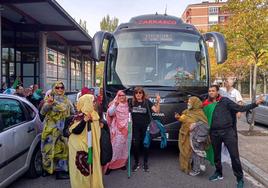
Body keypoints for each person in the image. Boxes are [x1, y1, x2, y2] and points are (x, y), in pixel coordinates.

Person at [203, 85, 264, 188]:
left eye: (213, 91)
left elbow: (241, 108)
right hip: (214, 133)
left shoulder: (225, 101)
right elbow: (200, 115)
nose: (211, 93)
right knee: (216, 155)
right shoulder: (206, 103)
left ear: (218, 92)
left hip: (228, 133)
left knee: (234, 156)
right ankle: (218, 173)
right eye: (209, 91)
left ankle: (240, 179)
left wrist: (255, 104)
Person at [64, 94, 104, 188]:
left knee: (91, 169)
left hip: (91, 145)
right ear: (86, 103)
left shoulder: (94, 114)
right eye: (92, 102)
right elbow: (75, 131)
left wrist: (102, 124)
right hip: (79, 147)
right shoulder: (78, 117)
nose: (94, 104)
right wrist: (84, 121)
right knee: (82, 171)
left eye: (94, 102)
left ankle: (92, 184)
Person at [40, 81, 75, 179]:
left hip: (62, 130)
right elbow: (42, 112)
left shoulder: (67, 101)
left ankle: (60, 172)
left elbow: (72, 112)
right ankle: (46, 169)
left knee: (62, 151)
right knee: (48, 150)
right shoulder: (49, 99)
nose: (60, 89)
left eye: (62, 88)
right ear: (53, 89)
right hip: (50, 130)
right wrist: (49, 104)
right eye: (57, 87)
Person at [175, 96, 209, 176]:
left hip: (195, 137)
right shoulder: (187, 111)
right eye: (188, 102)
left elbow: (205, 124)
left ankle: (196, 169)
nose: (188, 103)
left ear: (195, 103)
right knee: (186, 152)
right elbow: (183, 119)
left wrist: (195, 124)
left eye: (190, 102)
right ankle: (186, 167)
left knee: (195, 153)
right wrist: (178, 118)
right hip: (185, 136)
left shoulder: (200, 113)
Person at [130, 87, 160, 172]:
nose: (138, 94)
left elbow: (157, 111)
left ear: (142, 94)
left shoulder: (147, 102)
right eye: (136, 93)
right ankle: (136, 163)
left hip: (145, 127)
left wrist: (158, 101)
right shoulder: (131, 102)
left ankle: (145, 163)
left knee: (145, 144)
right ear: (134, 94)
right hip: (135, 127)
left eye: (140, 93)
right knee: (135, 145)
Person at [104, 90, 130, 175]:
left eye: (123, 95)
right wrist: (115, 104)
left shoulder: (127, 105)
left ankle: (121, 164)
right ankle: (110, 166)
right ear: (117, 96)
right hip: (117, 130)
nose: (122, 97)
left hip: (126, 130)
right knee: (115, 148)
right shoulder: (114, 104)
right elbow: (110, 113)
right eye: (120, 95)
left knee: (124, 148)